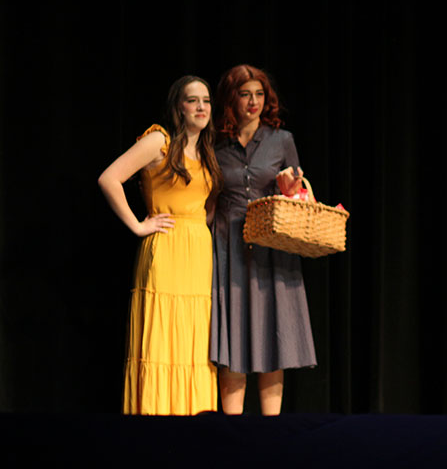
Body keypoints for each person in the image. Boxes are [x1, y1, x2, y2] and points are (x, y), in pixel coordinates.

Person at [98, 75, 223, 415]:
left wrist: (200, 227)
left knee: (193, 340)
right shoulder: (159, 141)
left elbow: (206, 206)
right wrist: (139, 225)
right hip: (166, 249)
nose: (201, 107)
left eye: (207, 101)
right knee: (161, 334)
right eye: (193, 100)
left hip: (197, 254)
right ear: (178, 108)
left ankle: (193, 422)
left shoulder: (207, 151)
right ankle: (155, 423)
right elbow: (109, 178)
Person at [209, 64, 317, 416]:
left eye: (259, 94)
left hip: (273, 248)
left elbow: (301, 197)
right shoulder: (216, 142)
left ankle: (272, 430)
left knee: (275, 332)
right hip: (228, 247)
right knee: (233, 335)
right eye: (244, 94)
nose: (253, 101)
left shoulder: (281, 139)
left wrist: (290, 188)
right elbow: (206, 197)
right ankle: (232, 428)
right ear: (231, 99)